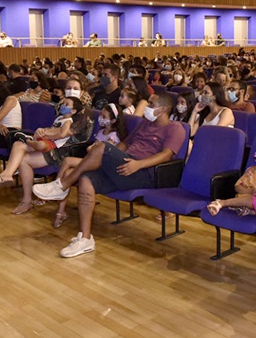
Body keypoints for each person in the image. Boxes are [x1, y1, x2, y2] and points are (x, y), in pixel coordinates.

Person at [32, 93, 186, 257]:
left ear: (162, 109)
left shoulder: (175, 128)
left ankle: (62, 185)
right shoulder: (145, 123)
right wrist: (111, 158)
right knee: (86, 179)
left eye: (151, 103)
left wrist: (137, 164)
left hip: (144, 172)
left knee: (102, 147)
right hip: (124, 166)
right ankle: (85, 239)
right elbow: (126, 143)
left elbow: (166, 155)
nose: (147, 106)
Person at [45, 103, 127, 227]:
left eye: (104, 117)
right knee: (67, 173)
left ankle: (56, 187)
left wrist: (94, 148)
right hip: (91, 161)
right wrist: (93, 148)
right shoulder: (101, 132)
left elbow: (100, 151)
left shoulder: (114, 136)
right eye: (101, 115)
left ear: (113, 120)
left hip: (102, 165)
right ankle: (60, 212)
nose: (101, 118)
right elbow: (91, 149)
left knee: (67, 161)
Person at [0, 96, 85, 188]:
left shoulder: (68, 121)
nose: (63, 105)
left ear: (73, 111)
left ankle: (26, 140)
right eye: (63, 103)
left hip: (53, 147)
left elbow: (62, 134)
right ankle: (7, 174)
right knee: (17, 144)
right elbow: (51, 128)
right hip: (46, 141)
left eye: (67, 105)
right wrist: (43, 130)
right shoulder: (59, 118)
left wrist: (46, 133)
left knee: (40, 144)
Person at [207, 127, 256, 218]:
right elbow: (237, 187)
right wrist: (250, 191)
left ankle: (247, 211)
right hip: (248, 200)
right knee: (252, 199)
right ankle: (221, 203)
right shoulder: (252, 171)